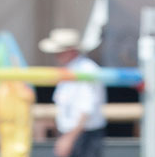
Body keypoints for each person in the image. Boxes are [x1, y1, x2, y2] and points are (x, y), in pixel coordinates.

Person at [38, 28, 106, 157]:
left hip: (83, 137)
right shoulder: (71, 70)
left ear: (70, 51)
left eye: (59, 52)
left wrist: (69, 138)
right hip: (77, 135)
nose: (56, 56)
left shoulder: (85, 70)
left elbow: (86, 109)